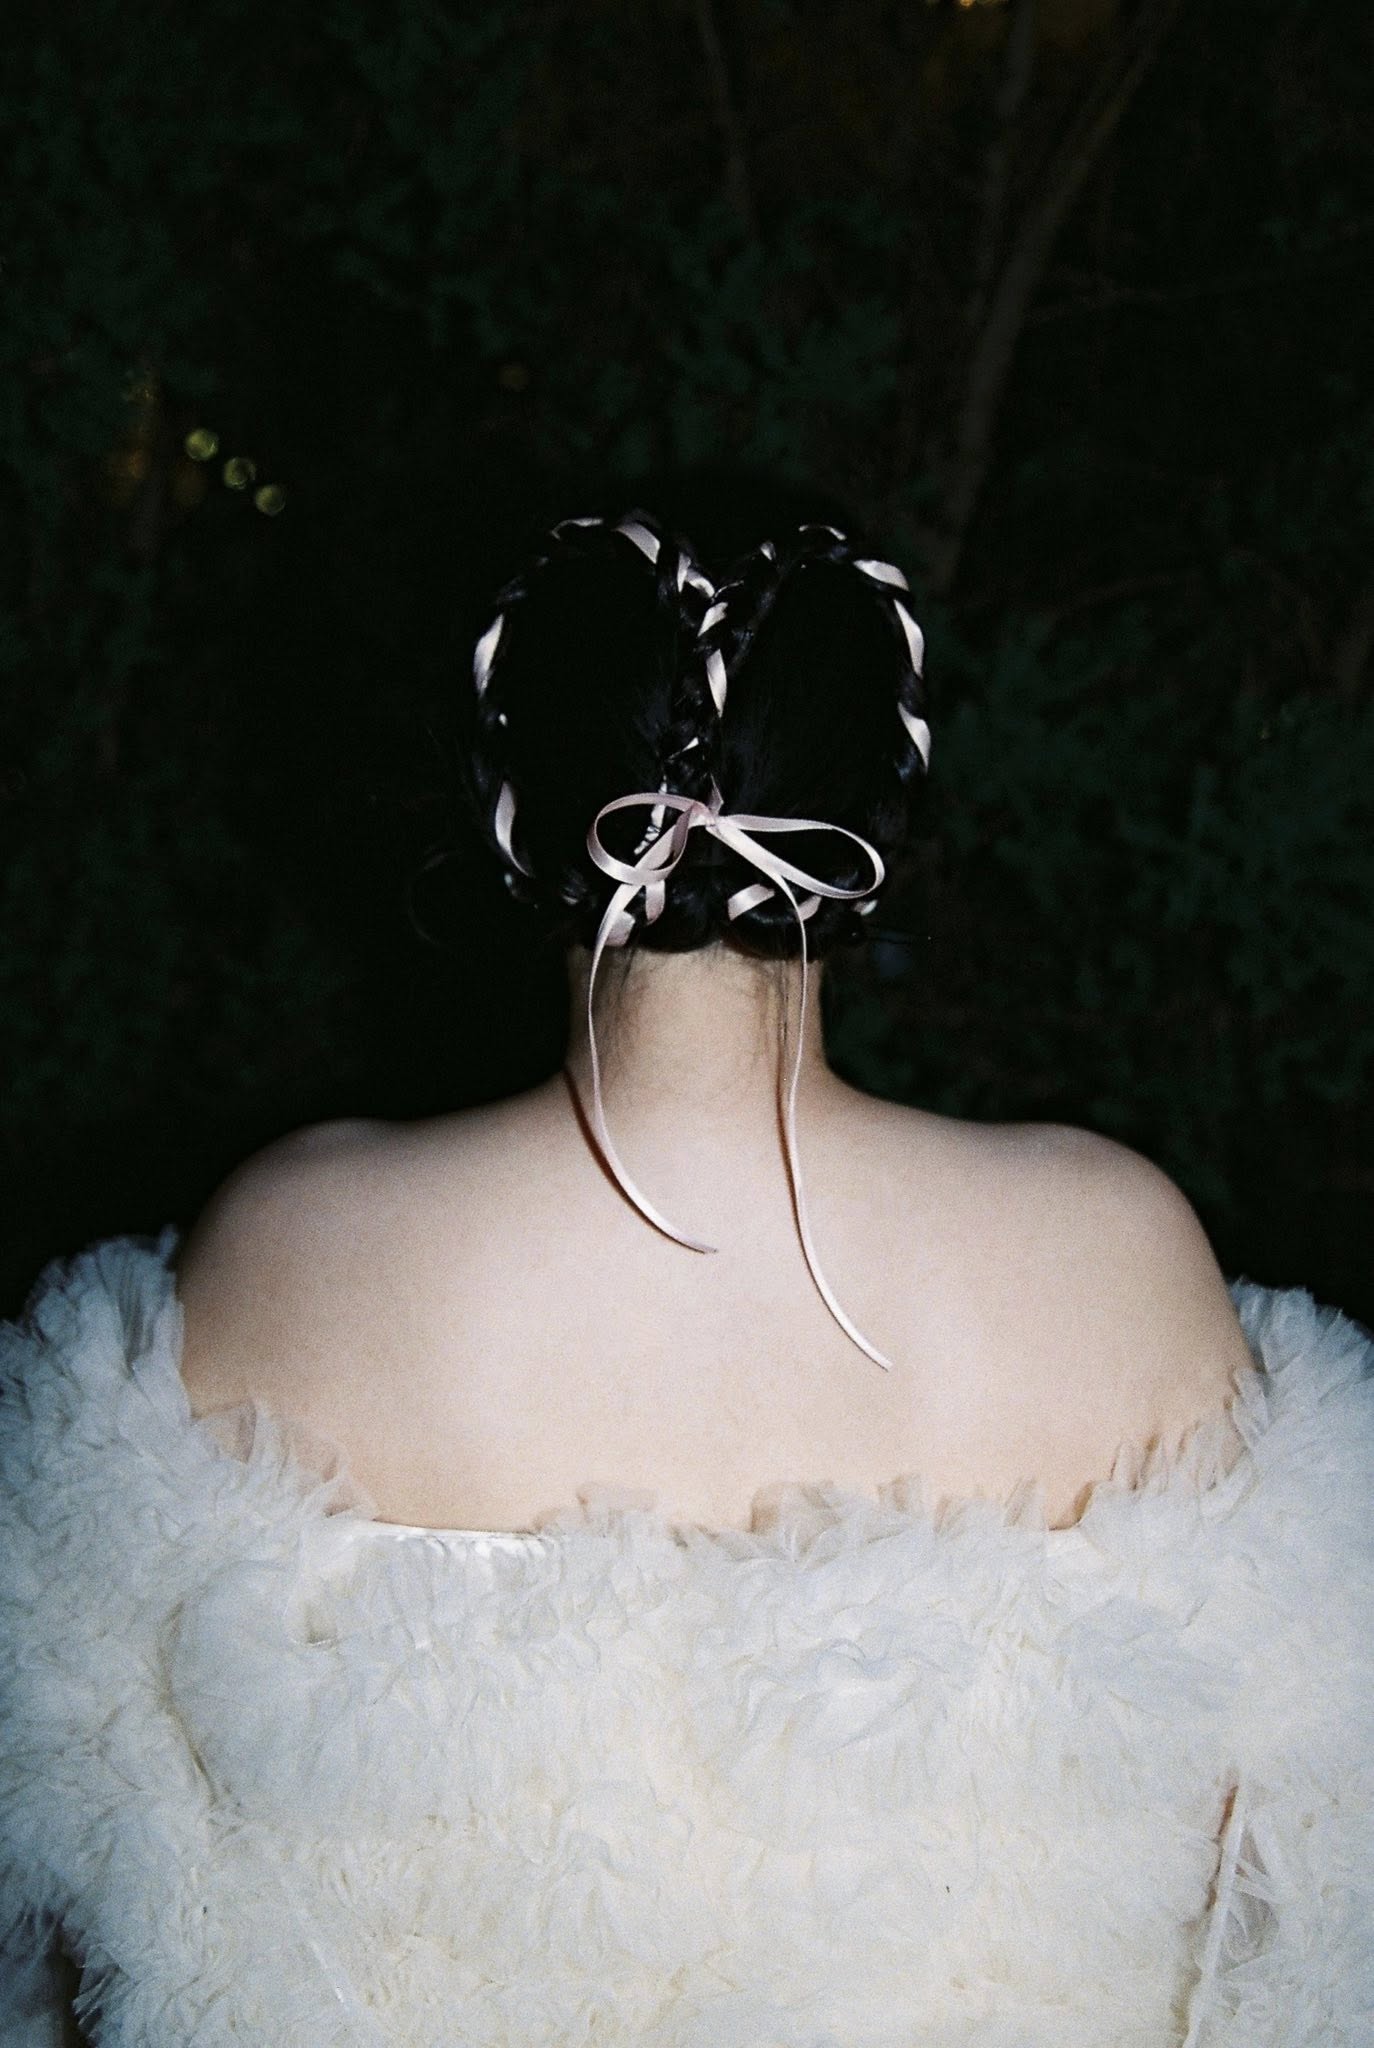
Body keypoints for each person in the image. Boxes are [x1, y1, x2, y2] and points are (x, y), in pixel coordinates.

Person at [1, 510, 1370, 2045]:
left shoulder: (291, 1241)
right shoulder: (1111, 1249)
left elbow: (98, 1908)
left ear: (512, 815)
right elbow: (1292, 1938)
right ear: (869, 828)